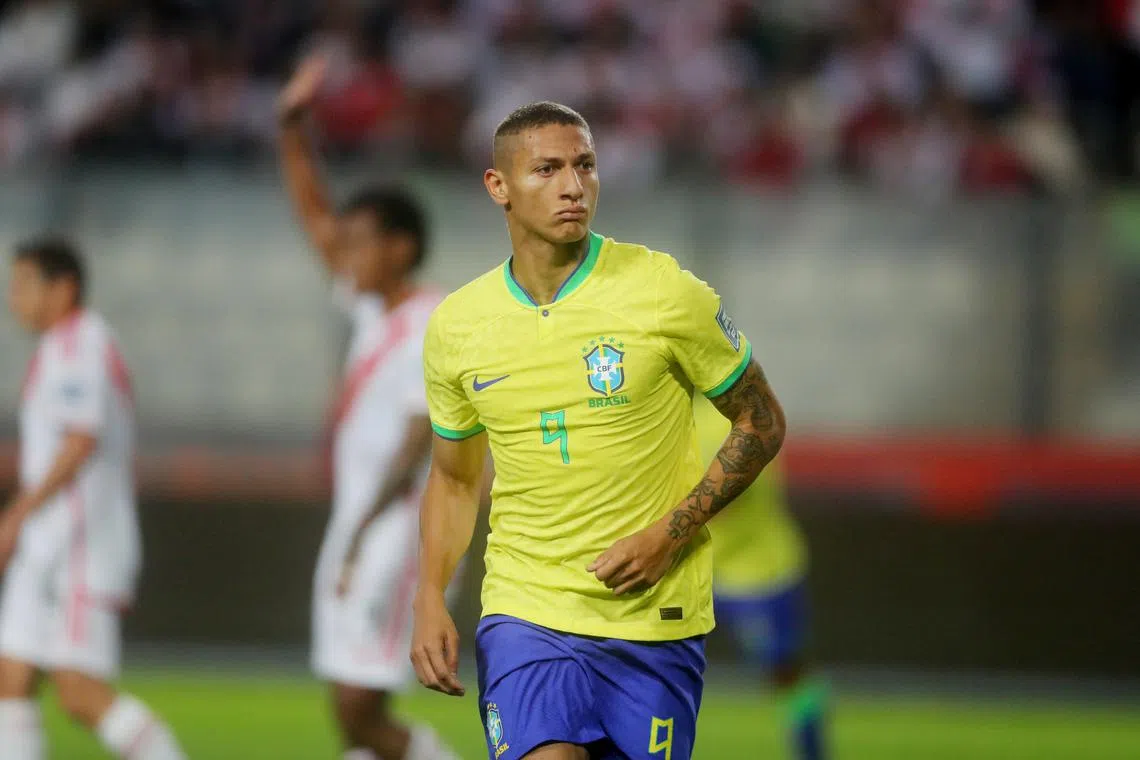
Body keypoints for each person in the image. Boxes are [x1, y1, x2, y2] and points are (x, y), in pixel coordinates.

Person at [411, 101, 787, 760]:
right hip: (527, 610)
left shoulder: (663, 292)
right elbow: (454, 476)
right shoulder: (457, 327)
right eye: (547, 169)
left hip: (654, 619)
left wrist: (671, 532)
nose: (572, 186)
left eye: (585, 166)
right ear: (498, 187)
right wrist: (427, 594)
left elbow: (763, 421)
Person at [278, 56, 458, 760]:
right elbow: (318, 221)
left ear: (402, 247)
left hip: (397, 528)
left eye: (362, 242)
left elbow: (421, 435)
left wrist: (358, 534)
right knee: (351, 709)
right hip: (360, 521)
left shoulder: (430, 322)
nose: (343, 253)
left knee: (357, 706)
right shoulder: (372, 312)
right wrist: (292, 130)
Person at [0, 238, 185, 760]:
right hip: (48, 543)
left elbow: (81, 440)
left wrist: (15, 514)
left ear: (64, 288)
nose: (13, 298)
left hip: (83, 544)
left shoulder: (80, 344)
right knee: (10, 676)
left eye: (23, 285)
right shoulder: (61, 344)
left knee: (78, 691)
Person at [693, 393, 828, 760]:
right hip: (699, 568)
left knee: (785, 672)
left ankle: (812, 749)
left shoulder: (732, 419)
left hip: (757, 573)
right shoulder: (676, 412)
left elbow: (729, 492)